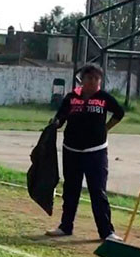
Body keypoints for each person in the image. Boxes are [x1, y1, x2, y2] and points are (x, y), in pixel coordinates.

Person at [45, 63, 125, 241]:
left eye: (97, 78)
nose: (93, 82)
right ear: (82, 79)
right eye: (90, 78)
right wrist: (56, 123)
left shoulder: (104, 98)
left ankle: (106, 232)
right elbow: (61, 117)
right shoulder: (71, 97)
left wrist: (105, 128)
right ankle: (66, 226)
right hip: (71, 150)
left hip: (96, 152)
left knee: (98, 191)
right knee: (71, 190)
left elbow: (119, 112)